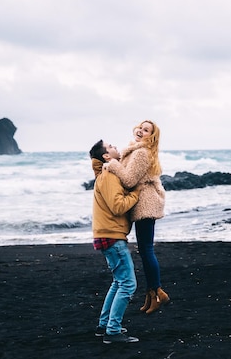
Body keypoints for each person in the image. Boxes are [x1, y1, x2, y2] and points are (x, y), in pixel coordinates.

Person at [104, 120, 169, 314]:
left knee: (147, 250)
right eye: (141, 127)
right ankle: (152, 295)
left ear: (152, 136)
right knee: (144, 250)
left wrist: (113, 164)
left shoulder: (141, 153)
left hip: (145, 205)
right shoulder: (135, 150)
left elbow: (130, 179)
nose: (141, 131)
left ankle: (157, 292)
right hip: (142, 204)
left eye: (146, 130)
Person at [89, 139, 140, 344]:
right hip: (112, 236)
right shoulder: (109, 175)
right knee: (128, 284)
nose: (116, 146)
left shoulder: (105, 174)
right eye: (111, 146)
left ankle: (104, 326)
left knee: (118, 282)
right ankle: (113, 331)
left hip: (106, 234)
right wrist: (136, 193)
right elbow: (118, 206)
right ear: (106, 157)